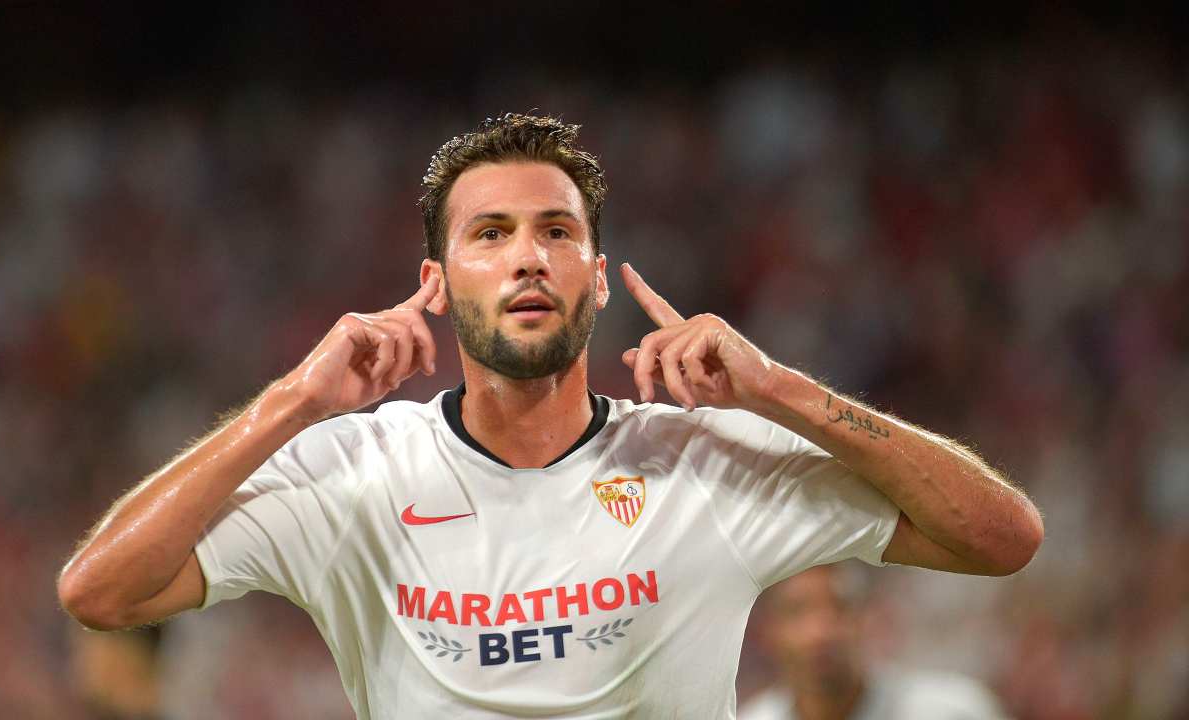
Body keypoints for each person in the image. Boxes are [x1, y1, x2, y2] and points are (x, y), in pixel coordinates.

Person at [57, 113, 1044, 718]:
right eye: (491, 234)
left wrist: (781, 391)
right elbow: (100, 593)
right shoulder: (350, 469)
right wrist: (287, 404)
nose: (528, 256)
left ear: (598, 280)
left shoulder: (705, 461)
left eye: (556, 232)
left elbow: (1000, 539)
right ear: (436, 285)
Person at [737, 563, 1008, 720]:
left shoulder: (951, 711)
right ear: (768, 631)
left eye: (839, 607)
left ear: (865, 618)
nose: (821, 631)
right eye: (797, 611)